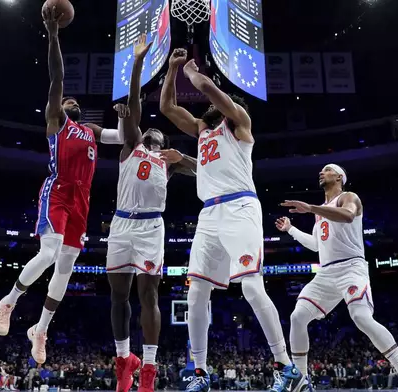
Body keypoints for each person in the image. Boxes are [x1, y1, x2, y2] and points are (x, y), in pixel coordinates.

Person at [159, 48, 302, 392]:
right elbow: (166, 108)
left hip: (240, 209)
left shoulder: (239, 124)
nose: (210, 107)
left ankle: (285, 365)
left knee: (251, 287)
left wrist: (192, 73)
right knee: (195, 295)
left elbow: (209, 90)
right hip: (209, 213)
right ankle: (200, 372)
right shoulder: (203, 132)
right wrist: (172, 68)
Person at [0, 5, 125, 364]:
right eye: (68, 101)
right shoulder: (58, 121)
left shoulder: (94, 132)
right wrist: (53, 36)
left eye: (74, 101)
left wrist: (129, 115)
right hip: (59, 191)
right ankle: (9, 301)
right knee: (48, 255)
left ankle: (41, 329)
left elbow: (128, 137)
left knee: (66, 268)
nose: (72, 100)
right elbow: (57, 78)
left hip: (83, 200)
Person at [275, 163, 398, 392]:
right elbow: (316, 244)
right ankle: (302, 380)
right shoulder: (321, 211)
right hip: (326, 272)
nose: (320, 172)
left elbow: (347, 216)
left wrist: (311, 208)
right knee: (297, 317)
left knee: (361, 317)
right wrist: (291, 230)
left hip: (351, 268)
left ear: (339, 176)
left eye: (326, 169)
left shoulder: (349, 197)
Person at [106, 35, 197, 392]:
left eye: (158, 137)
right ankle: (123, 358)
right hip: (121, 222)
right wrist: (138, 61)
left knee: (148, 296)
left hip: (150, 228)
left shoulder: (169, 162)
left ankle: (148, 366)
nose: (151, 134)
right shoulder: (131, 145)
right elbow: (133, 104)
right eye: (148, 131)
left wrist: (183, 159)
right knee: (118, 295)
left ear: (165, 144)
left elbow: (204, 169)